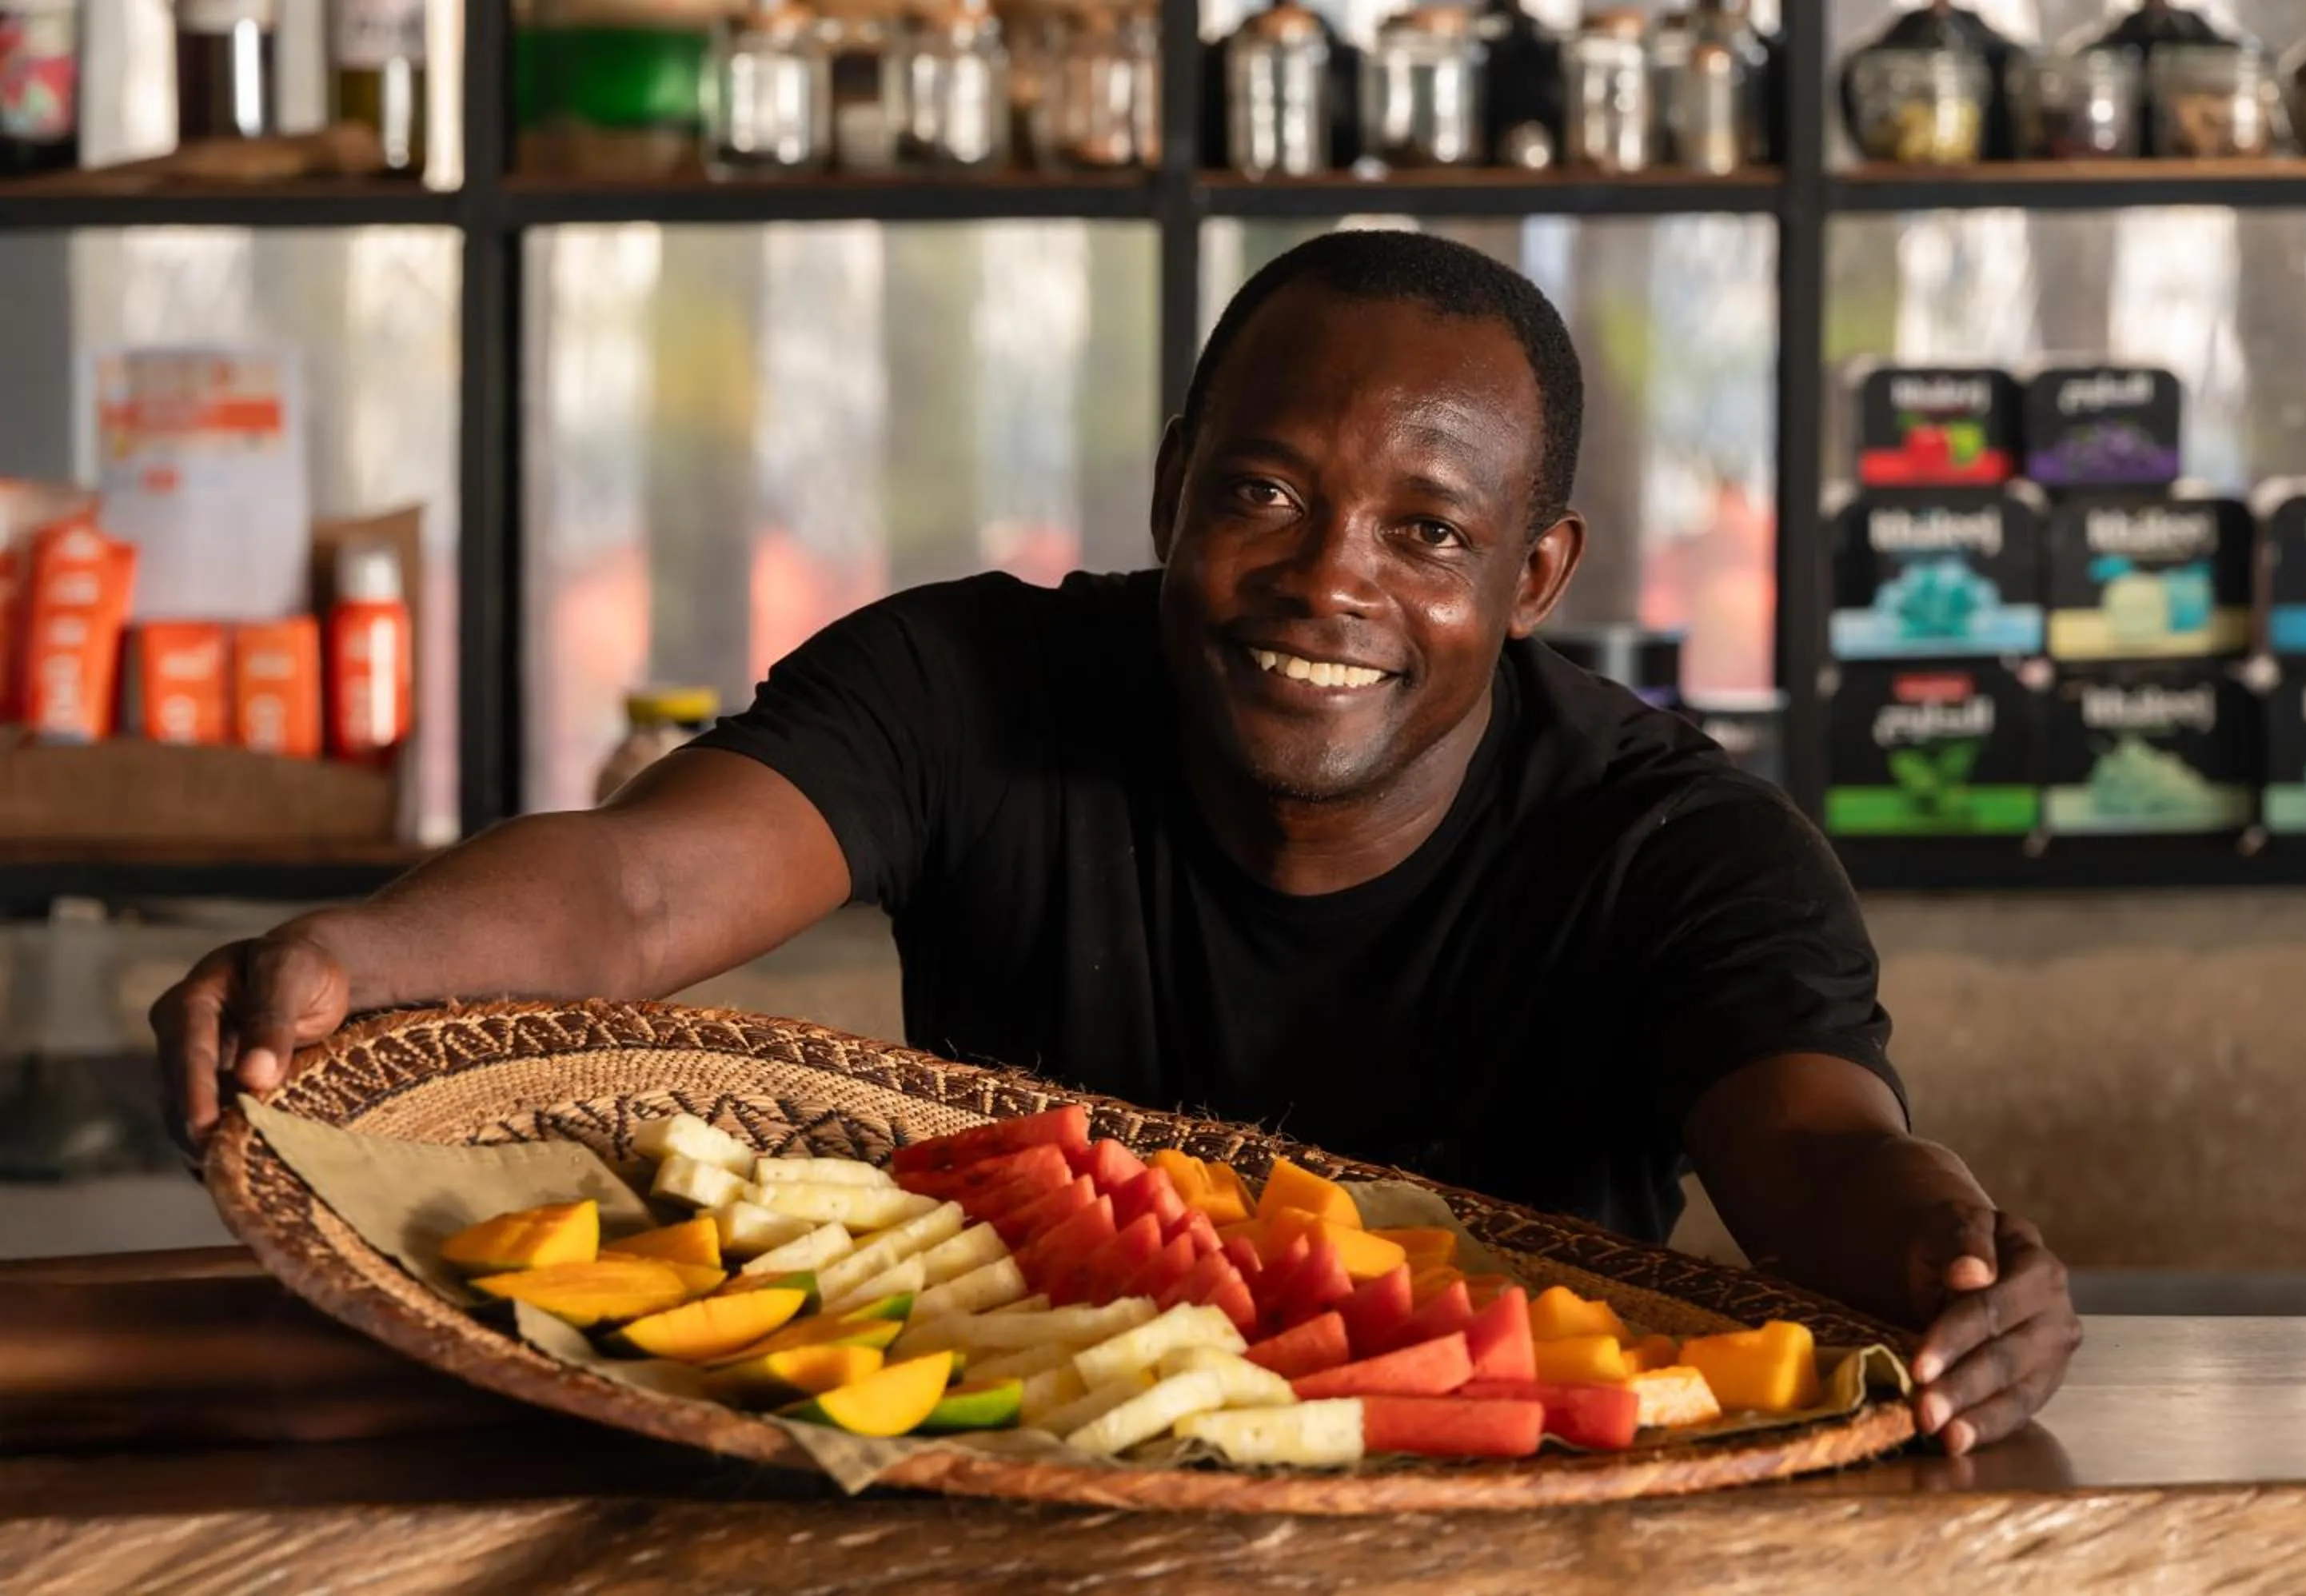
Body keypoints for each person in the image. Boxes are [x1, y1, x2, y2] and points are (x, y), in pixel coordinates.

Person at [155, 231, 2078, 1454]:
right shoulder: (969, 680)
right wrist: (375, 952)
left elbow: (1815, 1149)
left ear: (1536, 572)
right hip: (977, 1483)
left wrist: (1954, 1264)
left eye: (1428, 532)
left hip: (1494, 1515)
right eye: (1264, 492)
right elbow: (644, 879)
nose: (1328, 582)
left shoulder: (1680, 845)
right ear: (1172, 485)